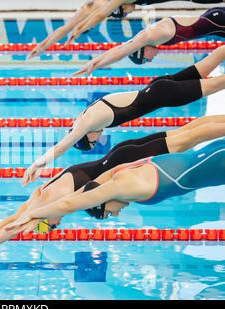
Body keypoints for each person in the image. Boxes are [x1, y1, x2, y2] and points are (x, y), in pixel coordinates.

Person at [0, 117, 225, 268]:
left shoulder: (51, 201)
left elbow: (15, 226)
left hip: (125, 160)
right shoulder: (41, 196)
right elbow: (10, 221)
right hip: (120, 158)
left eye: (47, 228)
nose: (56, 224)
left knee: (189, 138)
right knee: (189, 133)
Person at [22, 45, 225, 185]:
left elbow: (62, 145)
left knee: (216, 84)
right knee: (208, 63)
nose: (98, 140)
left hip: (164, 94)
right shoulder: (88, 114)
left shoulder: (88, 122)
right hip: (157, 87)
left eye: (93, 142)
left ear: (85, 136)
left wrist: (38, 163)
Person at [28, 1, 224, 59]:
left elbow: (98, 16)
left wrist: (79, 30)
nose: (126, 14)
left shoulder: (104, 5)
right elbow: (64, 29)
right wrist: (43, 46)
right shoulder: (89, 8)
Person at [73, 7, 224, 75]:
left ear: (141, 50)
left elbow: (121, 52)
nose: (151, 60)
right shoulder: (149, 37)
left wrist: (93, 66)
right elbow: (122, 47)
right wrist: (95, 61)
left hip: (217, 21)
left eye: (146, 59)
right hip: (215, 22)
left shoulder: (150, 36)